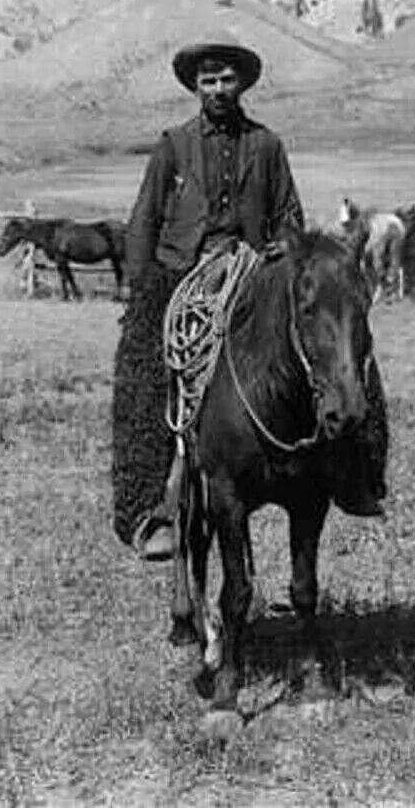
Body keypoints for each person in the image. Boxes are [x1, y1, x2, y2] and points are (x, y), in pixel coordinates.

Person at [112, 37, 306, 562]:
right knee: (149, 376)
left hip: (249, 270)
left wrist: (278, 254)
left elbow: (290, 215)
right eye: (208, 81)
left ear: (240, 84)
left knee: (319, 352)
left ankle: (342, 475)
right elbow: (144, 219)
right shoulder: (173, 144)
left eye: (225, 80)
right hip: (183, 274)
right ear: (196, 88)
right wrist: (141, 288)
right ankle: (154, 508)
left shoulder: (267, 145)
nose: (218, 89)